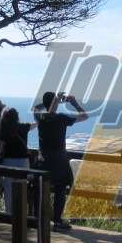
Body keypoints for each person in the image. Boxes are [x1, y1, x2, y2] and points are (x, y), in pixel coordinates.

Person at [34, 91, 88, 230]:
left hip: (43, 159)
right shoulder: (61, 118)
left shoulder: (40, 117)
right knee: (60, 189)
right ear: (56, 104)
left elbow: (36, 107)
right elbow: (84, 116)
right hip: (59, 159)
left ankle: (39, 219)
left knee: (41, 190)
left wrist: (55, 100)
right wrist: (73, 103)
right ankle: (57, 220)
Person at [0, 106, 37, 214]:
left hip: (8, 161)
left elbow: (0, 149)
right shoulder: (23, 127)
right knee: (22, 189)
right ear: (16, 116)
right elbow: (36, 124)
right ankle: (21, 215)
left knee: (8, 189)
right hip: (23, 162)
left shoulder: (3, 130)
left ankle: (9, 214)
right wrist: (36, 113)